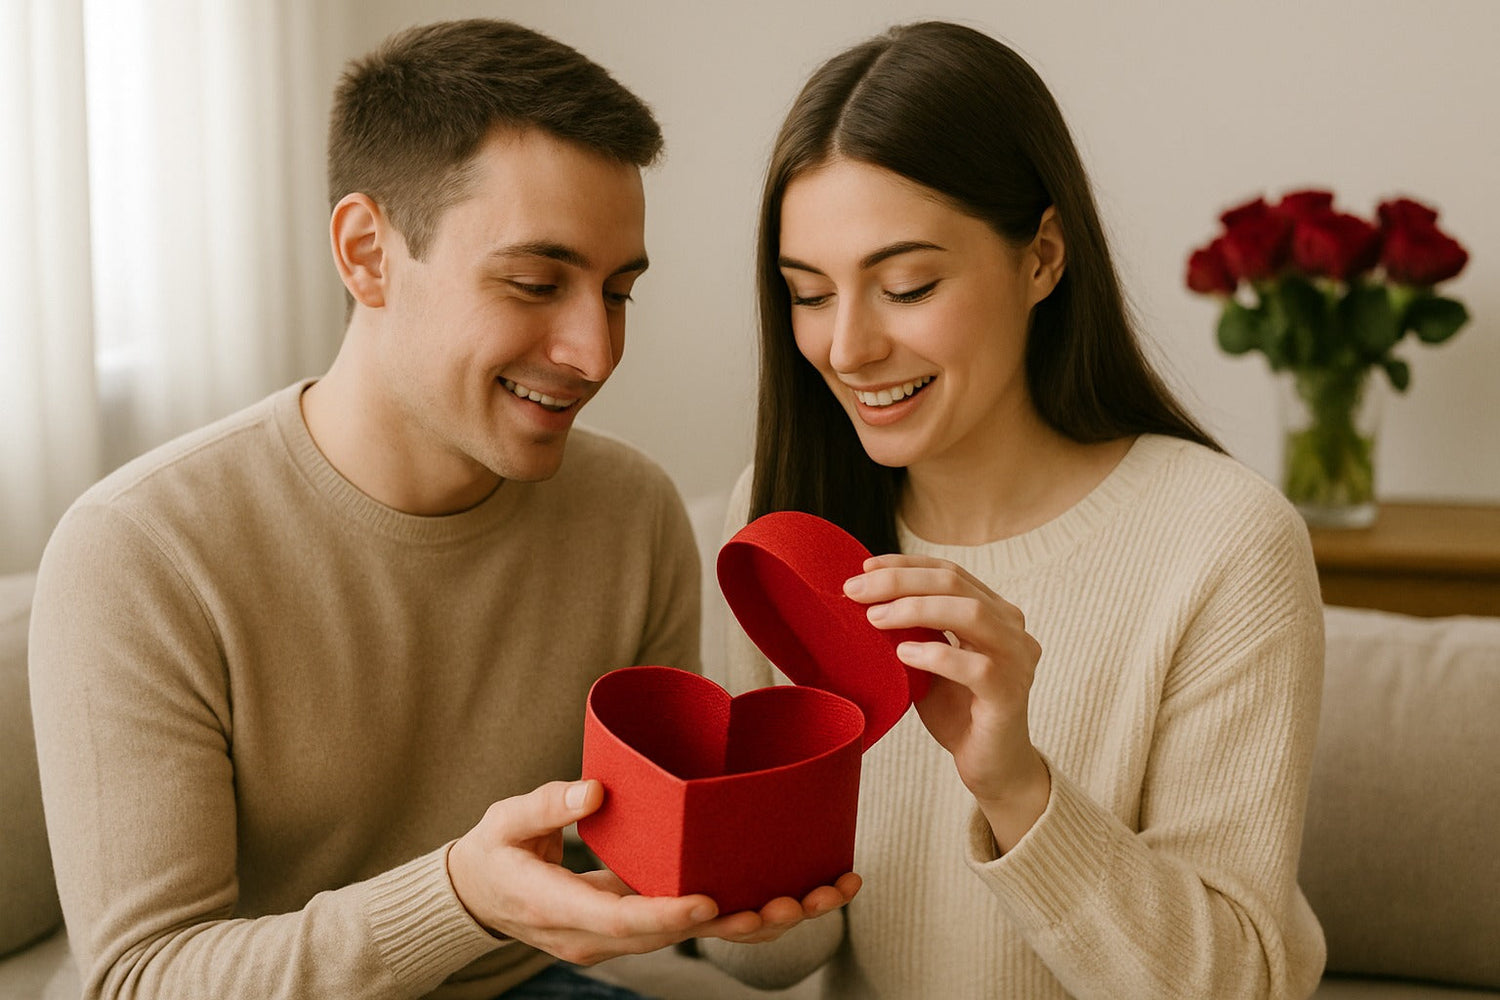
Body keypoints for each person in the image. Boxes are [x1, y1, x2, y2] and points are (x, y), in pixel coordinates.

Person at [28, 19, 852, 1000]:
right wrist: (460, 895)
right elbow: (142, 980)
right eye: (535, 283)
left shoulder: (630, 514)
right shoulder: (138, 552)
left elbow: (673, 894)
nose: (594, 352)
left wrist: (759, 891)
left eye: (619, 292)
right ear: (368, 252)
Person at [700, 20, 1326, 999]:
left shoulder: (1223, 541)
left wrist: (1018, 788)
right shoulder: (785, 519)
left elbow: (1236, 981)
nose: (849, 347)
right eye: (809, 293)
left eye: (907, 285)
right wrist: (714, 860)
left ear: (1041, 257)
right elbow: (771, 956)